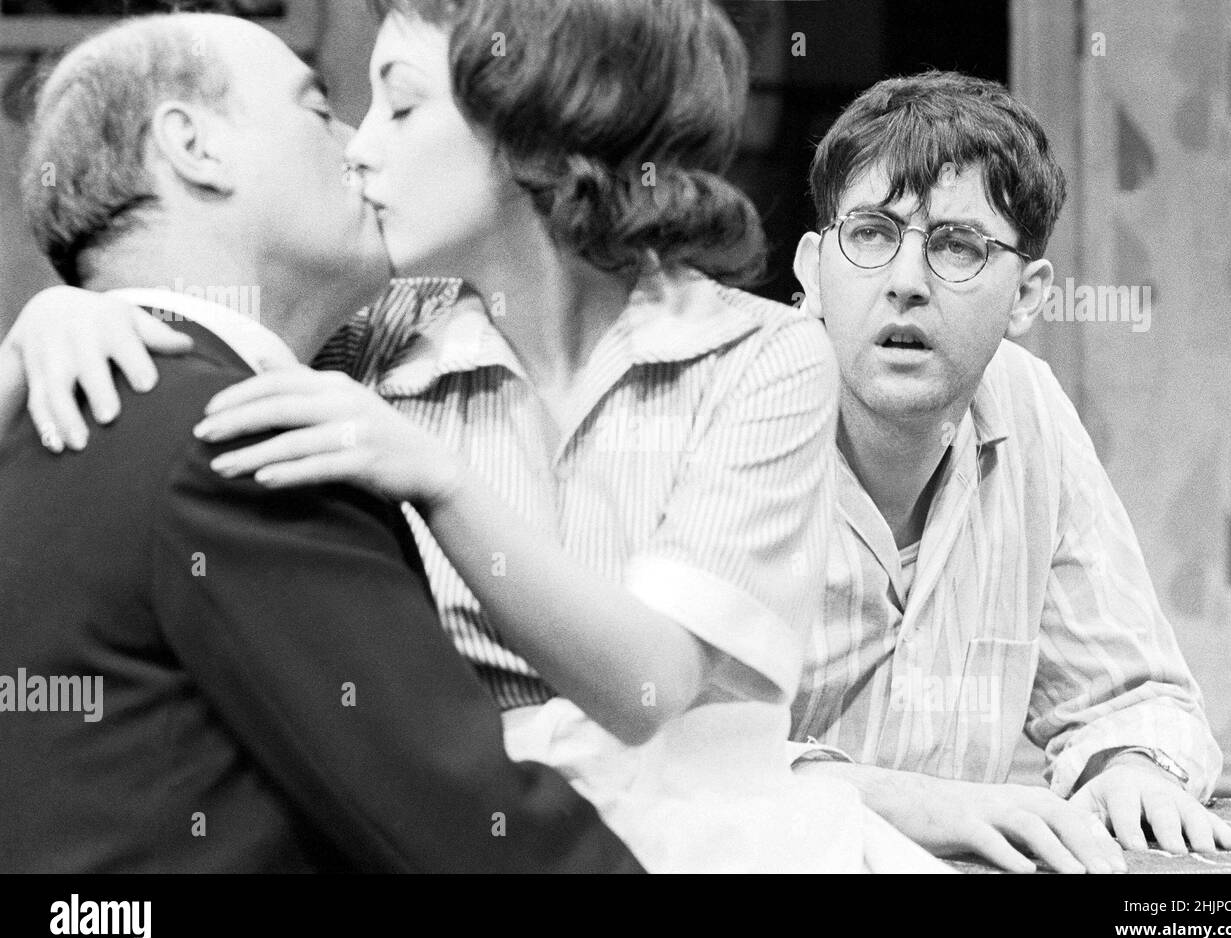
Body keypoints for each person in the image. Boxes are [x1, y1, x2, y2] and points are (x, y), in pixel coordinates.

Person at [0, 1, 938, 872]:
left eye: (399, 108)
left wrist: (445, 484)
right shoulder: (367, 339)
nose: (358, 151)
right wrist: (66, 310)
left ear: (531, 126)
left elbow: (650, 690)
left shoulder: (760, 355)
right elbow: (207, 329)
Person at [0, 11, 641, 874]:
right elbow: (473, 834)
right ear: (195, 147)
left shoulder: (36, 421)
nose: (360, 146)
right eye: (319, 109)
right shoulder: (243, 443)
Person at [786, 71, 1231, 873]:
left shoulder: (1025, 408)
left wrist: (1128, 765)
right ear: (813, 269)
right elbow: (669, 756)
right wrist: (926, 807)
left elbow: (1135, 697)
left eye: (957, 247)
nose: (905, 281)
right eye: (870, 234)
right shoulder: (727, 410)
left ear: (1027, 295)